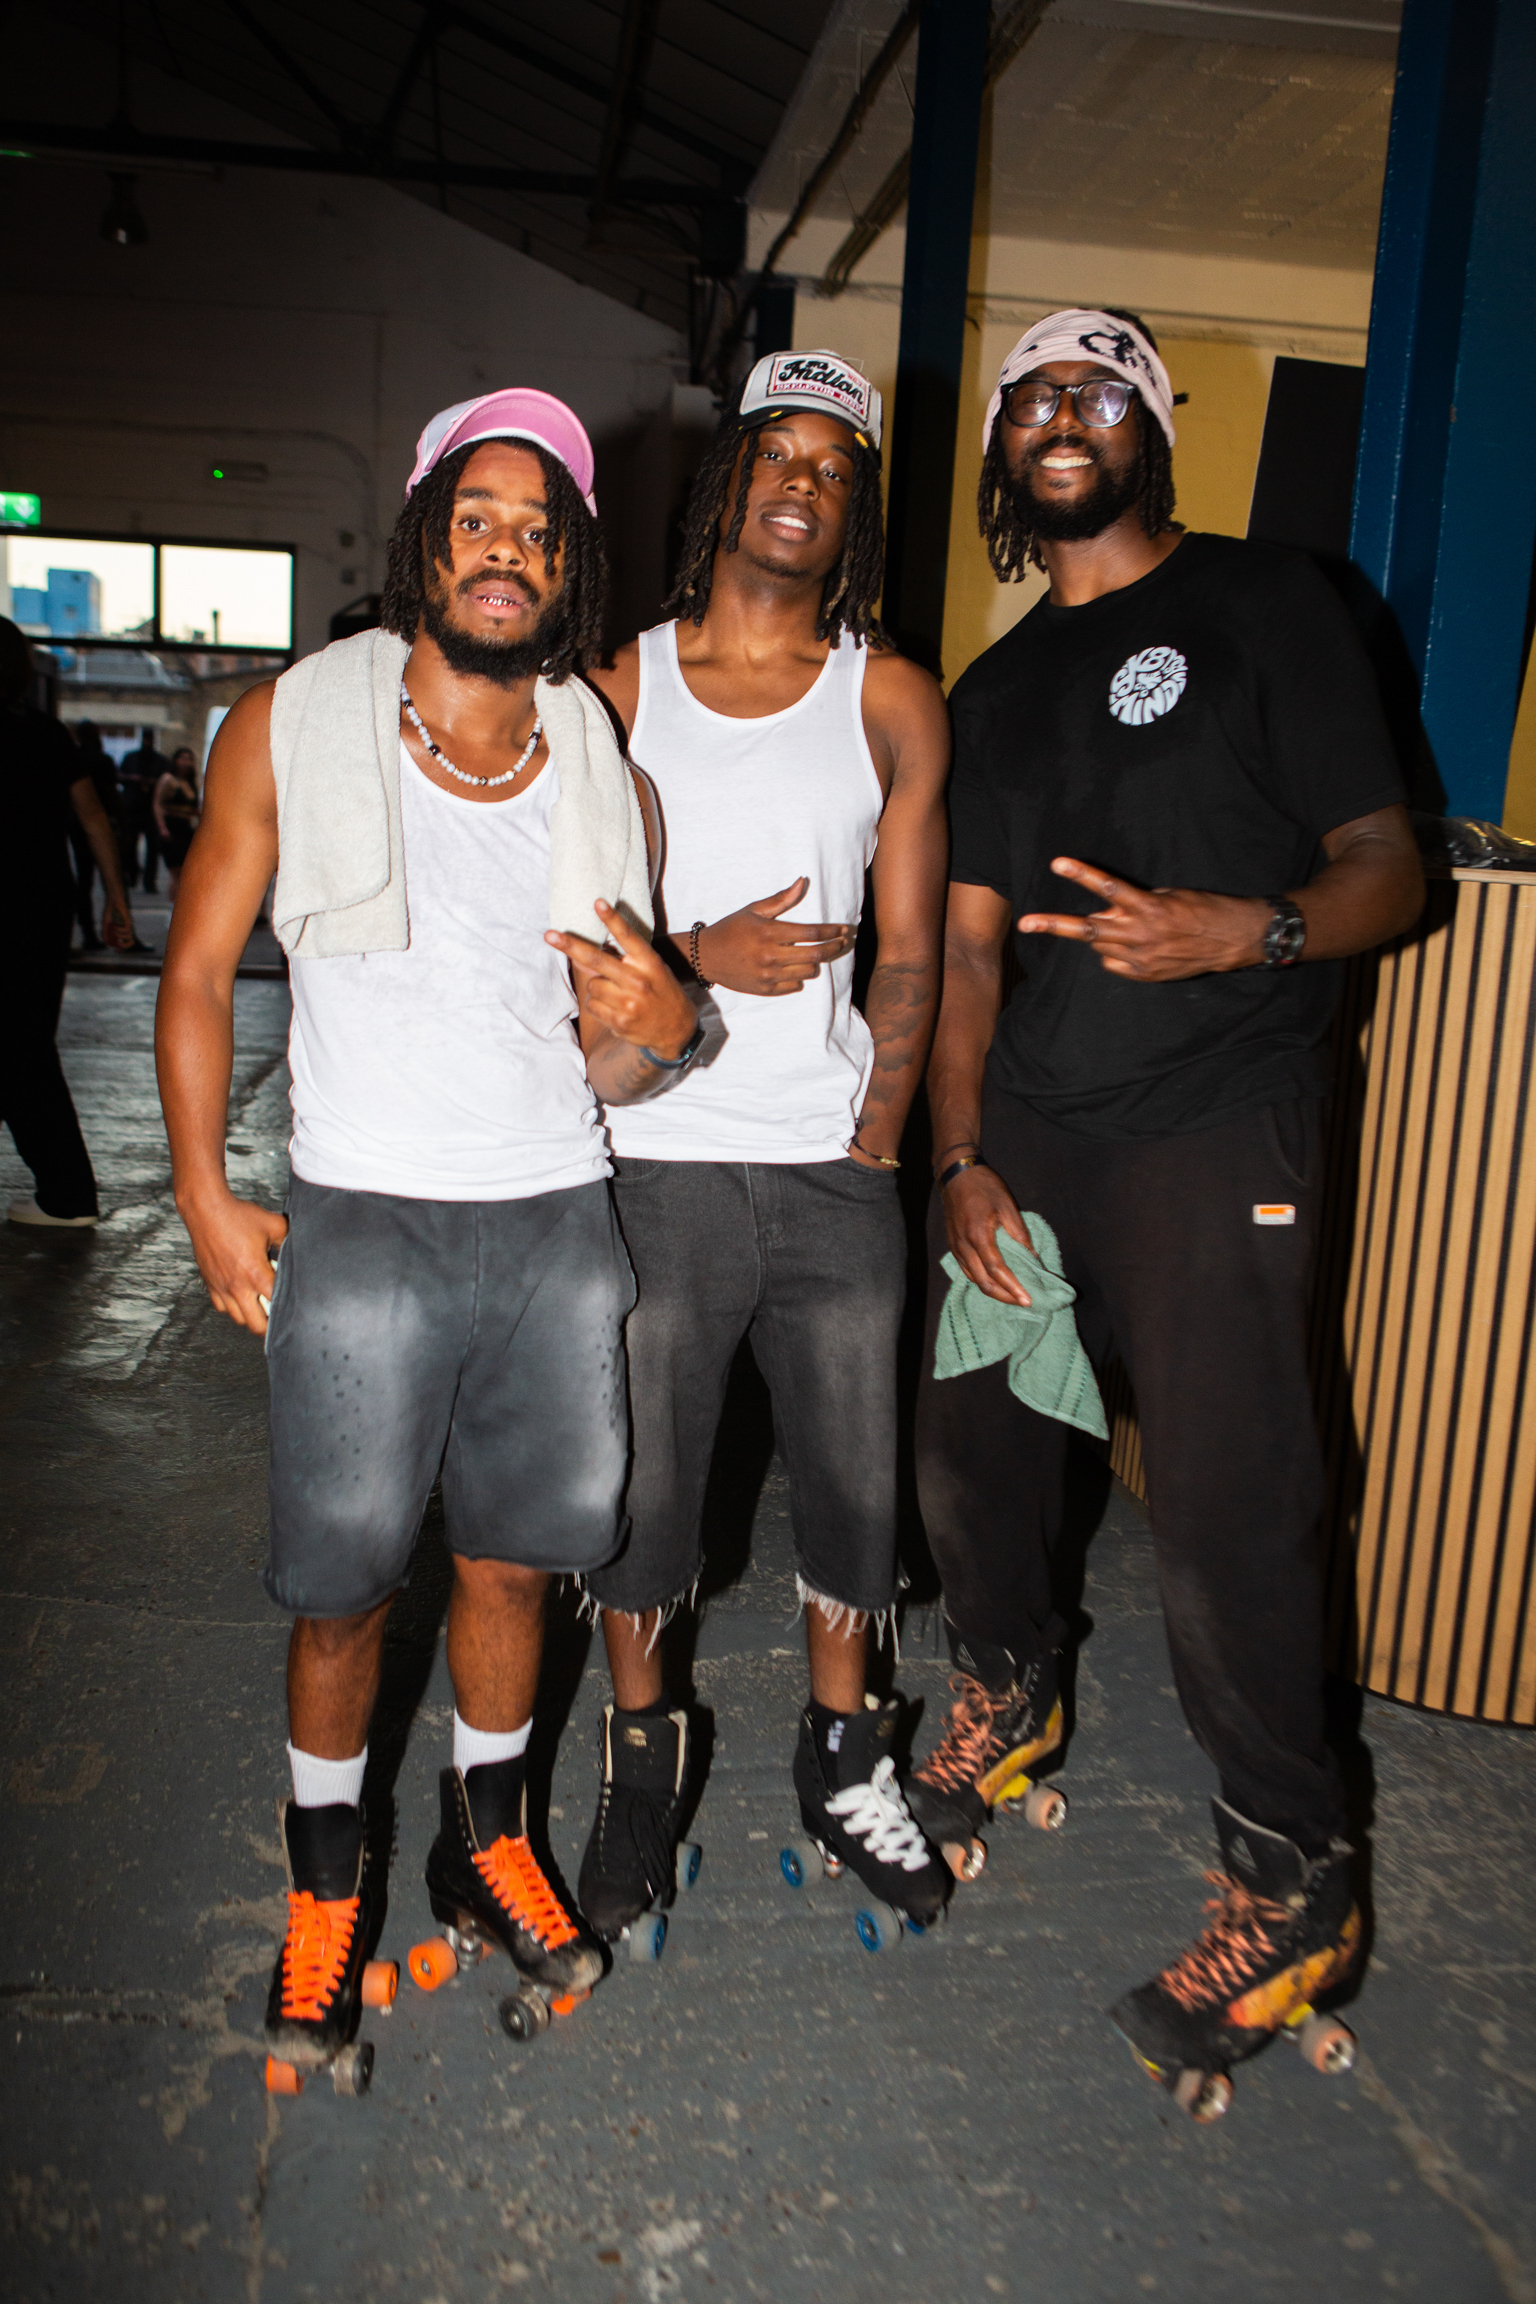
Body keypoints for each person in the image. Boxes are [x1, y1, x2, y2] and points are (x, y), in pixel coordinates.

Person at [907, 308, 1424, 2114]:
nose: (1065, 415)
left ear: (1148, 427)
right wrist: (962, 1152)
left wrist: (1245, 925)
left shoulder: (1277, 603)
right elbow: (967, 950)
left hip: (1219, 1120)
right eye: (1035, 395)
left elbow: (1390, 867)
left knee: (1224, 1501)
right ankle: (1007, 1687)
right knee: (972, 1449)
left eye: (1098, 388)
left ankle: (1292, 1876)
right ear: (1003, 449)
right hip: (1031, 1129)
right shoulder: (989, 687)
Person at [156, 389, 700, 2091]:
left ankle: (489, 1837)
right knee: (341, 1589)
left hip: (552, 1214)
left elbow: (610, 1046)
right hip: (367, 1218)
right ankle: (326, 1890)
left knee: (513, 1564)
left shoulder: (603, 763)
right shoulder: (291, 720)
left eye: (542, 525)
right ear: (423, 532)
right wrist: (197, 1183)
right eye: (480, 511)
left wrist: (672, 1022)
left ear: (571, 566)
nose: (509, 543)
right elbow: (191, 971)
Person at [573, 349, 953, 1948]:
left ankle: (844, 1764)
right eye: (776, 453)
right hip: (652, 1158)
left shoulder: (887, 695)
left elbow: (917, 952)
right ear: (724, 481)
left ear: (851, 508)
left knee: (856, 1497)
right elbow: (578, 941)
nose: (802, 482)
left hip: (826, 1172)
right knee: (647, 1504)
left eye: (834, 466)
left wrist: (876, 1142)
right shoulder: (618, 690)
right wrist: (695, 960)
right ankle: (641, 1777)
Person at [1, 622, 135, 1228]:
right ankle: (66, 1191)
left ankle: (67, 1192)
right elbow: (93, 820)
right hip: (41, 910)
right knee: (25, 1045)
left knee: (22, 1055)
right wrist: (115, 896)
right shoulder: (47, 734)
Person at [68, 719, 120, 950]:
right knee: (112, 878)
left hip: (75, 823)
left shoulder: (76, 757)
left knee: (84, 878)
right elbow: (106, 797)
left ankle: (88, 930)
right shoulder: (101, 760)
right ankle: (117, 930)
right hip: (100, 820)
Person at [118, 729, 162, 892]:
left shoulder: (158, 760)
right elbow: (120, 775)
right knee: (130, 846)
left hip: (149, 809)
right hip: (133, 807)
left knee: (152, 848)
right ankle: (133, 874)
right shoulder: (132, 757)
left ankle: (148, 881)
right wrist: (132, 779)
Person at [153, 745, 200, 897]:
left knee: (187, 872)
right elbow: (157, 804)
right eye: (183, 759)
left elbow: (194, 809)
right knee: (176, 873)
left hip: (186, 828)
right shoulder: (168, 779)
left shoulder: (189, 783)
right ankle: (173, 911)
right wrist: (162, 828)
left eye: (190, 759)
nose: (187, 763)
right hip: (172, 827)